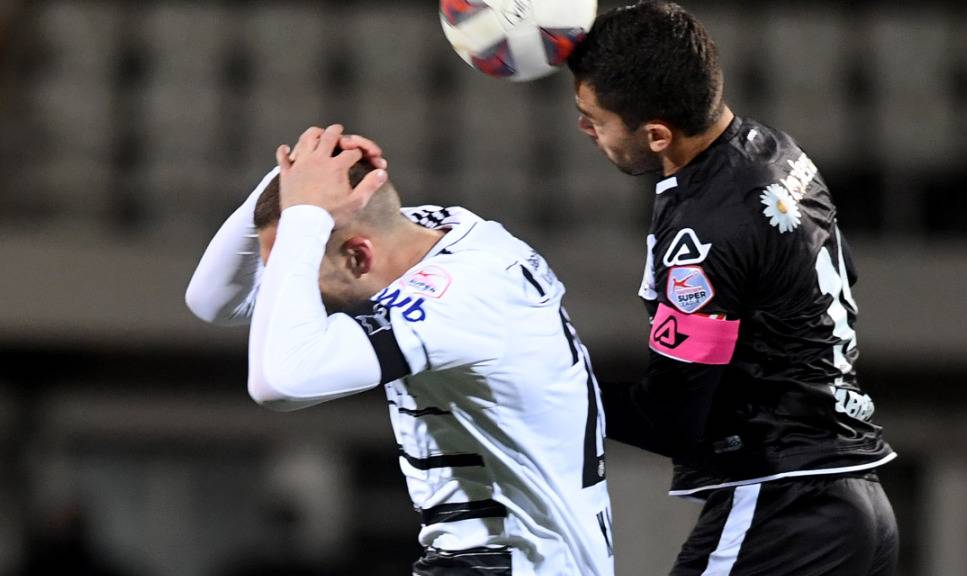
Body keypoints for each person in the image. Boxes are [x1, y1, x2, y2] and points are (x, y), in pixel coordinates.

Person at [185, 125, 614, 576]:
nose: (289, 288)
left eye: (300, 264)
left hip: (513, 564)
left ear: (358, 257)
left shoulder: (460, 293)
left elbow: (279, 382)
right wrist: (296, 175)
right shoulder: (434, 234)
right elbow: (214, 300)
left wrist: (307, 214)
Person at [565, 2, 898, 575]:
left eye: (595, 118)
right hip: (856, 503)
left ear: (656, 134)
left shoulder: (703, 231)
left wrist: (544, 382)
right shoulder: (774, 151)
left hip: (785, 506)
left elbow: (671, 418)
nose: (585, 128)